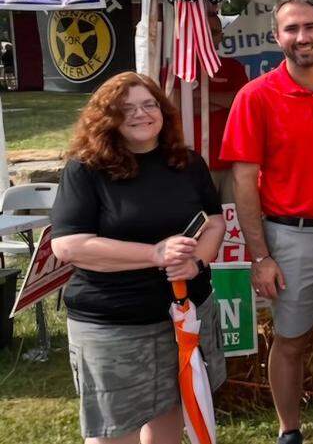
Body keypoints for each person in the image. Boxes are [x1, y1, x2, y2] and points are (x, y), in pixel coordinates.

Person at [221, 0, 313, 444]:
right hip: (290, 236)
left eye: (310, 27)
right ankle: (289, 432)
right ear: (276, 37)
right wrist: (259, 256)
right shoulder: (255, 96)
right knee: (290, 339)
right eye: (292, 29)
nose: (302, 37)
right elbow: (243, 182)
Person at [51, 71, 227, 444]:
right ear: (106, 117)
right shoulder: (85, 169)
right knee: (115, 431)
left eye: (149, 104)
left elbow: (212, 222)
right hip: (115, 325)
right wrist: (156, 253)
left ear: (163, 112)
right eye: (125, 108)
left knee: (170, 413)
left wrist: (196, 262)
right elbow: (68, 246)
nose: (140, 114)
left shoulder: (187, 162)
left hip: (183, 317)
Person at [173, 8, 250, 200]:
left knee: (233, 222)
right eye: (203, 31)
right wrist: (221, 100)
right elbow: (175, 103)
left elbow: (239, 103)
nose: (208, 37)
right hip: (191, 162)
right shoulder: (181, 67)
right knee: (202, 223)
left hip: (230, 161)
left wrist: (197, 96)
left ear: (221, 37)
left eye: (214, 32)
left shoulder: (233, 67)